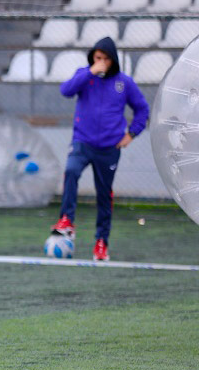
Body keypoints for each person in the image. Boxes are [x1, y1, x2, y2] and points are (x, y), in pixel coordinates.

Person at [51, 36, 149, 262]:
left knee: (104, 195)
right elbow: (66, 90)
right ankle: (67, 220)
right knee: (71, 171)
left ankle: (101, 242)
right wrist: (90, 72)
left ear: (113, 60)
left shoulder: (124, 83)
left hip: (109, 148)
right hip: (82, 142)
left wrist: (131, 134)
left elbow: (142, 109)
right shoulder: (84, 75)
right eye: (97, 58)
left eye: (105, 58)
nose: (101, 62)